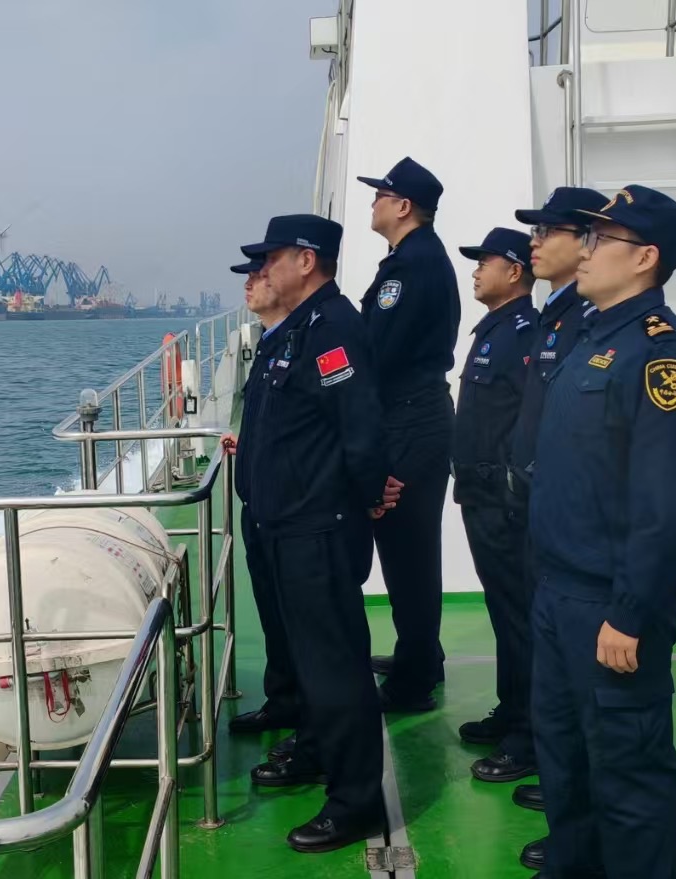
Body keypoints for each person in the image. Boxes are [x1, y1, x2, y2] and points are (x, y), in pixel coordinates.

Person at [525, 185, 676, 879]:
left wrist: (630, 612)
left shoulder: (665, 359)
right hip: (557, 592)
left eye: (601, 239)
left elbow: (665, 507)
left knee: (630, 773)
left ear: (644, 258)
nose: (585, 249)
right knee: (566, 761)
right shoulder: (592, 337)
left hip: (609, 604)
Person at [234, 213, 402, 852]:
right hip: (285, 523)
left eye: (271, 258)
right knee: (309, 661)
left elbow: (360, 428)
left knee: (336, 668)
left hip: (316, 528)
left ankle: (357, 801)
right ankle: (313, 749)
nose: (262, 269)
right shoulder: (297, 331)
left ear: (306, 261)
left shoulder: (332, 329)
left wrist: (366, 500)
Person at [461, 187, 608, 837]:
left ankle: (537, 746)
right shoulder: (547, 319)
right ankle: (530, 734)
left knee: (532, 629)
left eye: (548, 231)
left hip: (531, 506)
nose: (535, 241)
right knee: (517, 621)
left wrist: (512, 483)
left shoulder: (569, 323)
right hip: (512, 496)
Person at [355, 157, 460, 712]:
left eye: (380, 195)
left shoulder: (410, 267)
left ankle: (414, 680)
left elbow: (377, 351)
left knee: (408, 553)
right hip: (416, 415)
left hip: (408, 420)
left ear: (402, 207)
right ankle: (421, 654)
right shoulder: (417, 259)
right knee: (409, 550)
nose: (372, 202)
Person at [448, 227, 540, 785]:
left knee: (520, 617)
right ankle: (511, 709)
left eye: (485, 262)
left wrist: (510, 487)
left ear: (514, 271)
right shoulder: (495, 330)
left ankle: (529, 734)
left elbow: (530, 421)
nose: (477, 271)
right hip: (481, 496)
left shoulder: (524, 333)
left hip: (503, 502)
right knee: (503, 613)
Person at [224, 255, 300, 763]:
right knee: (273, 614)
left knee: (301, 625)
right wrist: (246, 444)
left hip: (293, 511)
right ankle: (284, 700)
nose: (249, 283)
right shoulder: (272, 342)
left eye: (259, 273)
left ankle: (313, 726)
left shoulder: (306, 340)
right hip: (261, 505)